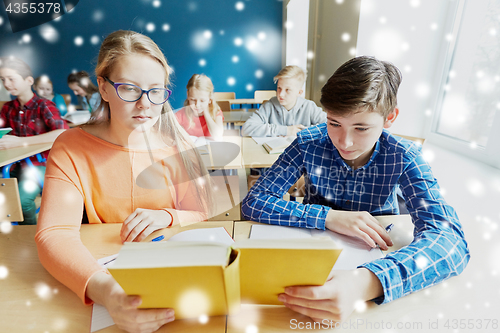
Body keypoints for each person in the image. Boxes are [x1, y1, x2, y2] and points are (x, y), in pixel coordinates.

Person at [241, 56, 470, 323]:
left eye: (361, 128)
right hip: (310, 259)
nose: (344, 141)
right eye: (334, 123)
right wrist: (328, 217)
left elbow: (451, 243)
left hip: (376, 265)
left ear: (390, 117)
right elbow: (254, 201)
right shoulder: (308, 142)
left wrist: (366, 282)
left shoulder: (405, 156)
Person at [36, 30, 214, 333]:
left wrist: (168, 215)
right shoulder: (71, 147)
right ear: (103, 88)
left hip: (174, 283)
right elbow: (54, 233)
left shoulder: (179, 145)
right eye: (130, 89)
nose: (145, 104)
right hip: (101, 275)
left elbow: (205, 213)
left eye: (155, 91)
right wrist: (107, 291)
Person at [0, 57, 68, 225]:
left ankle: (27, 235)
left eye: (11, 78)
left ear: (29, 80)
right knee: (7, 200)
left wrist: (19, 142)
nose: (7, 84)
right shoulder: (8, 108)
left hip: (40, 165)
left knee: (22, 203)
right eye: (3, 80)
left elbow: (62, 133)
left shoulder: (44, 105)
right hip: (13, 164)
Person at [241, 65, 326, 137]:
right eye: (279, 88)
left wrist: (302, 131)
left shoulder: (309, 107)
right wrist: (286, 130)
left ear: (299, 92)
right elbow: (246, 129)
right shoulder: (269, 106)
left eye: (287, 90)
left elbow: (328, 125)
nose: (281, 94)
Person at [174, 74, 224, 140]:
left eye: (202, 100)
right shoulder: (181, 114)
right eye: (193, 100)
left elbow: (218, 136)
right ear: (188, 95)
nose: (197, 105)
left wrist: (206, 112)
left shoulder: (216, 112)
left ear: (210, 99)